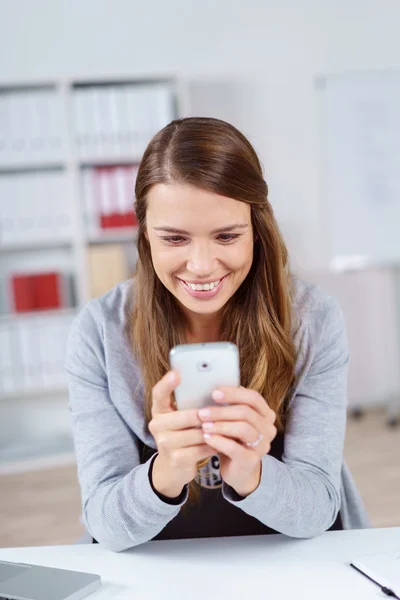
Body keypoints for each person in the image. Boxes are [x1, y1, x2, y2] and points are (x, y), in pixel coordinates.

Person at [65, 117, 370, 552]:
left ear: (256, 230)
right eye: (174, 239)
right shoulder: (99, 331)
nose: (203, 265)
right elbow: (106, 525)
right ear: (144, 235)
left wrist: (252, 471)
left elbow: (318, 509)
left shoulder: (311, 318)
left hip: (292, 558)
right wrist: (166, 469)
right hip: (158, 563)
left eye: (227, 236)